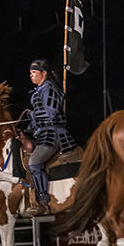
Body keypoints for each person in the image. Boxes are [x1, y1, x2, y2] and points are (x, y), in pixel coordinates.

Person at [21, 59, 77, 217]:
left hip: (53, 134)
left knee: (34, 162)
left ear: (43, 73)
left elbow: (51, 114)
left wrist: (32, 114)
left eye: (34, 72)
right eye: (30, 72)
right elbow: (38, 120)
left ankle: (43, 201)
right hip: (43, 132)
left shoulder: (48, 88)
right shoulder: (39, 90)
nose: (30, 75)